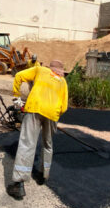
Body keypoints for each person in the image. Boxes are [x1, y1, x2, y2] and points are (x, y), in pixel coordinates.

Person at [6, 60, 68, 200]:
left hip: (34, 109)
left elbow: (18, 76)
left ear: (49, 68)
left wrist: (16, 96)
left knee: (27, 144)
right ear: (60, 71)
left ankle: (19, 185)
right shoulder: (63, 82)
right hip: (52, 115)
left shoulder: (40, 70)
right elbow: (64, 107)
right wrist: (54, 113)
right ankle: (43, 175)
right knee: (48, 144)